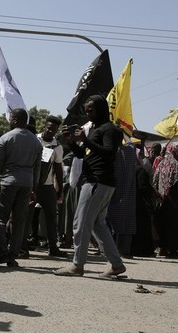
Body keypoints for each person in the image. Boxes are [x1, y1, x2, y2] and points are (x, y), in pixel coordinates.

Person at [54, 95, 127, 278]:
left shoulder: (109, 129)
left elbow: (110, 153)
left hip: (97, 181)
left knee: (80, 223)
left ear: (101, 109)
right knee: (97, 224)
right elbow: (84, 155)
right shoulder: (95, 129)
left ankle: (77, 265)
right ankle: (116, 265)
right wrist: (71, 142)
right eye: (86, 110)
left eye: (91, 110)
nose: (88, 113)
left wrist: (86, 141)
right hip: (98, 182)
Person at [0, 108, 42, 267]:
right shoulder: (35, 141)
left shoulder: (6, 138)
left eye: (11, 118)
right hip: (27, 183)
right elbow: (37, 168)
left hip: (7, 181)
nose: (9, 121)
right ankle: (12, 256)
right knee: (19, 221)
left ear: (16, 120)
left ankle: (1, 253)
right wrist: (34, 188)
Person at [34, 115, 67, 257]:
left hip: (47, 186)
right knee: (25, 215)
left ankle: (53, 247)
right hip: (32, 185)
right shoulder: (34, 140)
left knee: (51, 217)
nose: (50, 131)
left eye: (53, 130)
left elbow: (58, 169)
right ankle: (20, 247)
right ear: (44, 127)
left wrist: (59, 189)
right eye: (48, 128)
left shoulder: (57, 147)